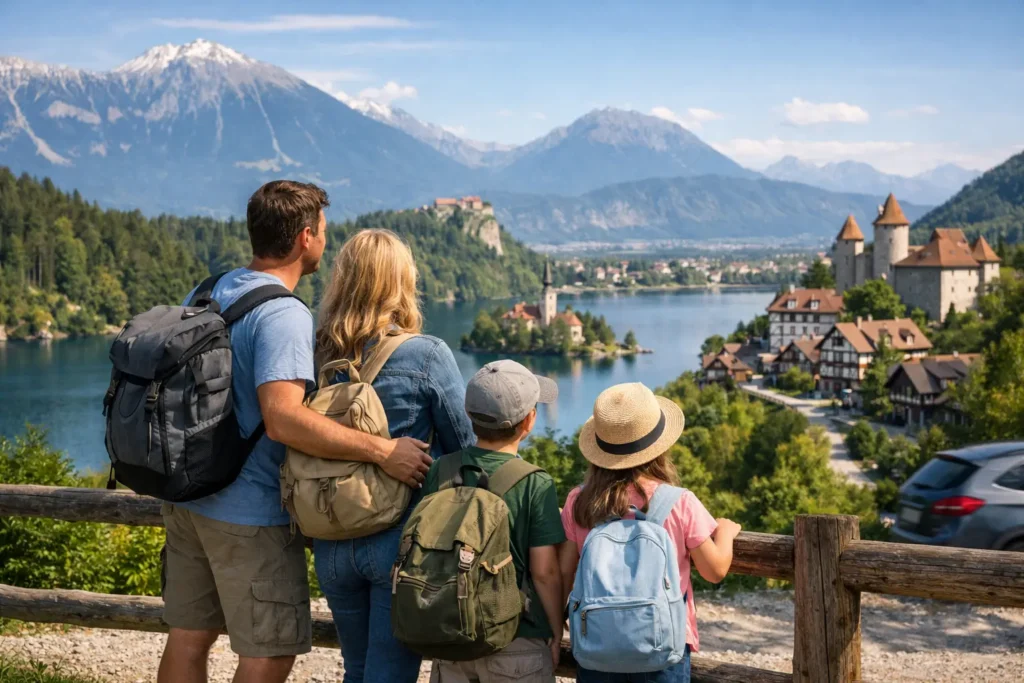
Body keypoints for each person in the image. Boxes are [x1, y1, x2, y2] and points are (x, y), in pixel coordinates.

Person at [158, 183, 432, 683]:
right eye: (323, 230)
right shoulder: (284, 313)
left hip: (188, 498)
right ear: (307, 237)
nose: (325, 240)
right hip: (249, 511)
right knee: (269, 652)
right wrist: (383, 449)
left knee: (189, 637)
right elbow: (283, 418)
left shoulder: (209, 289)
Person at [313, 229, 476, 683]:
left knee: (357, 670)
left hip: (330, 536)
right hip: (397, 540)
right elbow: (465, 448)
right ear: (403, 282)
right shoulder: (426, 355)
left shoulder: (320, 352)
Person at [558, 382, 743, 683]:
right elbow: (715, 570)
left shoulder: (579, 502)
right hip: (662, 649)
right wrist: (725, 531)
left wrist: (555, 631)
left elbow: (564, 575)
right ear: (660, 448)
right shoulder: (678, 501)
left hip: (597, 646)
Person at [424, 359, 567, 683]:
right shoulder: (535, 482)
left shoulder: (441, 470)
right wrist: (555, 631)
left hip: (451, 633)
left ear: (470, 415)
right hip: (517, 639)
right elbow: (544, 572)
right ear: (529, 420)